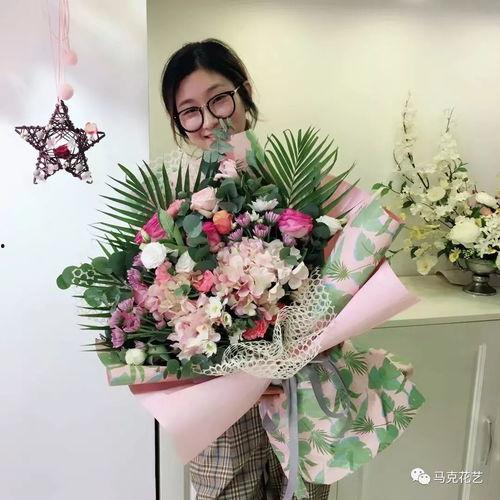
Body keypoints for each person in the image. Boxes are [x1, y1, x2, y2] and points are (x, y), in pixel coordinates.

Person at [160, 38, 331, 500]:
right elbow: (165, 310)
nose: (208, 120)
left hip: (297, 393)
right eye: (189, 111)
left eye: (218, 98)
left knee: (304, 489)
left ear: (244, 91)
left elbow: (334, 287)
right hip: (221, 408)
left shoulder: (298, 180)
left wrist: (287, 358)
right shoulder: (171, 201)